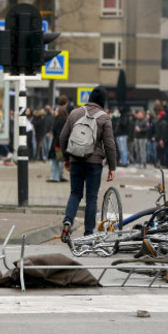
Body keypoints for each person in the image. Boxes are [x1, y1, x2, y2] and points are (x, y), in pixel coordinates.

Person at [59, 85, 116, 241]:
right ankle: (88, 234)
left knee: (75, 193)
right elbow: (109, 144)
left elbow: (62, 138)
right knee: (91, 198)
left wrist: (66, 158)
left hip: (76, 160)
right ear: (103, 101)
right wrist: (112, 167)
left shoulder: (75, 113)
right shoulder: (104, 118)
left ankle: (68, 221)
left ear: (89, 98)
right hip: (94, 163)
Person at [47, 106, 68, 182]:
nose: (55, 112)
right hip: (60, 143)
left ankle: (54, 177)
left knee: (55, 160)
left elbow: (58, 133)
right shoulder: (63, 120)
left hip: (57, 143)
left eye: (56, 111)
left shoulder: (59, 121)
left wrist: (57, 144)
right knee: (58, 160)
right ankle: (58, 176)